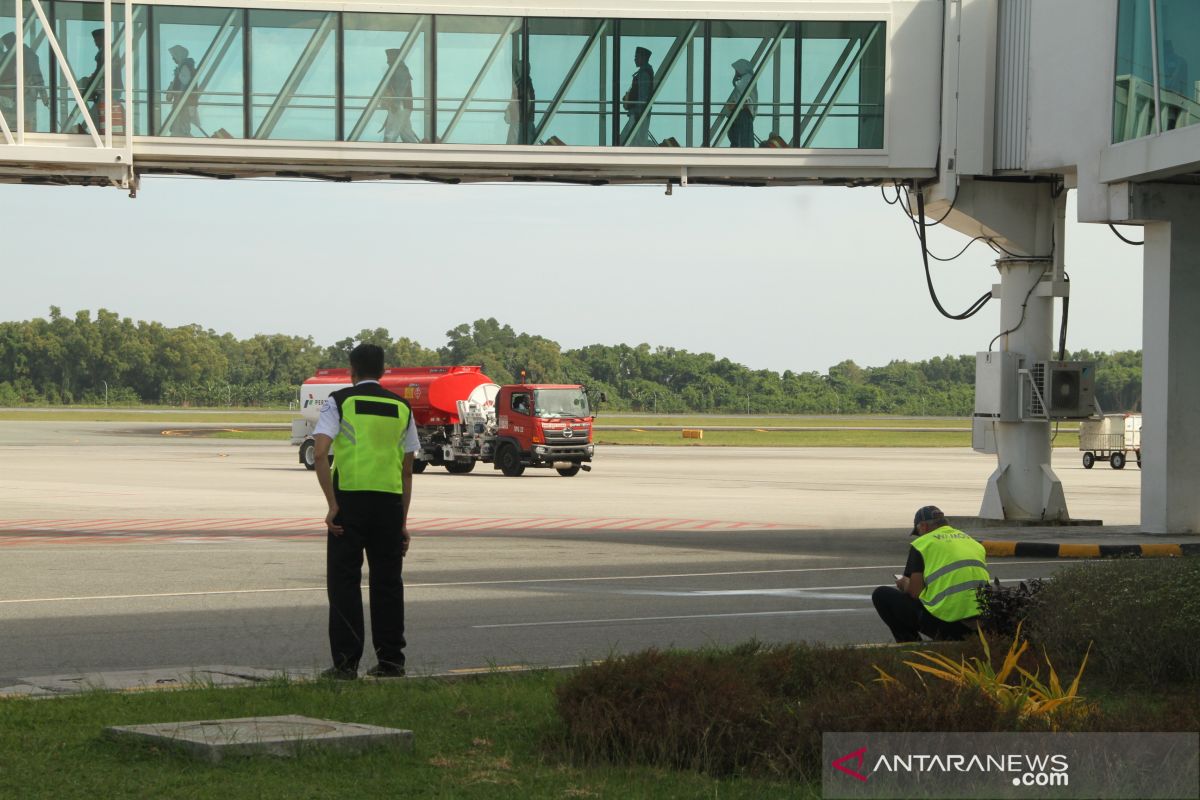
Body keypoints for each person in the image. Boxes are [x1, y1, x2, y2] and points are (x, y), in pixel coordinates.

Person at [312, 343, 419, 679]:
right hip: (388, 504)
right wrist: (402, 520)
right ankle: (391, 661)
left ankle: (346, 664)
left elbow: (319, 453)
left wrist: (332, 505)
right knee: (388, 583)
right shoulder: (402, 407)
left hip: (350, 502)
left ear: (351, 370)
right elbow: (406, 469)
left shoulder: (340, 401)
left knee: (345, 583)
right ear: (384, 371)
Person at [871, 506, 990, 643]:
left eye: (918, 532)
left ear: (923, 526)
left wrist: (904, 584)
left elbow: (915, 592)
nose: (919, 535)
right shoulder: (972, 542)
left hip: (950, 626)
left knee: (881, 595)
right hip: (982, 626)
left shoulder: (922, 544)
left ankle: (912, 648)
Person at [0, 33, 49, 132]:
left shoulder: (24, 55)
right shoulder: (28, 55)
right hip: (23, 102)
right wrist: (44, 98)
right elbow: (38, 78)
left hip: (20, 101)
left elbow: (37, 77)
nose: (6, 47)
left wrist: (44, 97)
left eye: (7, 44)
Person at [84, 28, 123, 133]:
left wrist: (92, 81)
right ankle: (92, 129)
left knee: (94, 114)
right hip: (108, 89)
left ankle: (90, 130)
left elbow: (101, 71)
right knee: (94, 114)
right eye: (95, 41)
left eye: (97, 40)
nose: (95, 44)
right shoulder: (109, 51)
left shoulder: (107, 52)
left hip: (107, 89)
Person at [380, 49, 419, 143]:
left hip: (400, 105)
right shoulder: (401, 68)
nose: (387, 60)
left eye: (389, 57)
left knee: (391, 131)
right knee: (406, 132)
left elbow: (400, 89)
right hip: (403, 105)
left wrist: (395, 104)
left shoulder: (399, 69)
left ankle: (385, 152)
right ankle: (415, 151)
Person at [164, 45, 201, 137]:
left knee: (181, 125)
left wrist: (173, 86)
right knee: (180, 125)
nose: (173, 59)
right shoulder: (186, 67)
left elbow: (184, 83)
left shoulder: (184, 67)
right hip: (184, 102)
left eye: (174, 56)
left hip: (183, 103)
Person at [621, 46, 654, 146]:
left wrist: (638, 113)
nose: (635, 59)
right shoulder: (644, 72)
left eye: (637, 56)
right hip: (638, 113)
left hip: (638, 114)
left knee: (633, 142)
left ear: (643, 58)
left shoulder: (644, 74)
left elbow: (643, 97)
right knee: (632, 140)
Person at [725, 58, 758, 147]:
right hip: (742, 113)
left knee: (740, 138)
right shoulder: (747, 78)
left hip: (742, 113)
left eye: (737, 69)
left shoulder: (747, 78)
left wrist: (734, 106)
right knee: (741, 138)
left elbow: (742, 95)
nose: (736, 71)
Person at [504, 62, 534, 145]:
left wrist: (511, 111)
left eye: (519, 69)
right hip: (521, 122)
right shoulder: (526, 83)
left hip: (519, 123)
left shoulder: (522, 83)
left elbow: (524, 102)